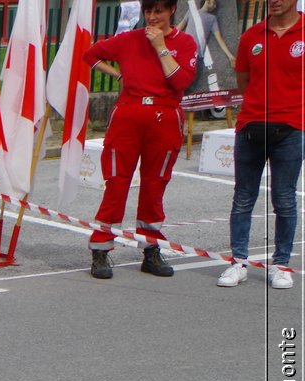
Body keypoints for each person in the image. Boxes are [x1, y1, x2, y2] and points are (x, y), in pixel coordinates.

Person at [82, 0, 198, 279]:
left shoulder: (185, 43)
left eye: (158, 11)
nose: (152, 17)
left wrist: (160, 47)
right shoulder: (129, 39)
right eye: (148, 11)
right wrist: (118, 73)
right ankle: (101, 249)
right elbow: (91, 55)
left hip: (165, 114)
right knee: (117, 181)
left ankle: (150, 248)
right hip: (129, 112)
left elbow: (181, 81)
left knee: (155, 182)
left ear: (171, 11)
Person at [216, 0, 302, 291]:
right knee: (243, 197)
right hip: (251, 127)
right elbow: (244, 80)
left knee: (284, 199)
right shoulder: (251, 36)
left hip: (291, 128)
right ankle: (238, 262)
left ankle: (281, 265)